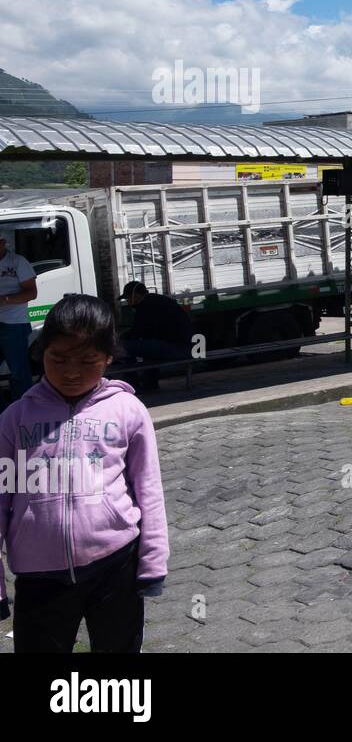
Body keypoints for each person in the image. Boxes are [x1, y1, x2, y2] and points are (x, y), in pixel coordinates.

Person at [0, 293, 169, 651]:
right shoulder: (15, 418)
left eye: (88, 360)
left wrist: (153, 561)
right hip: (38, 574)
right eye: (58, 358)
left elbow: (148, 489)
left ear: (108, 357)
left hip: (114, 565)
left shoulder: (128, 410)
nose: (72, 371)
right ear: (41, 352)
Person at [119, 281, 192, 392]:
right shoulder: (156, 300)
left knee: (123, 347)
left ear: (136, 296)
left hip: (176, 348)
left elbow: (139, 331)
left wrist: (122, 337)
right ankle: (149, 384)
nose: (128, 302)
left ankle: (132, 386)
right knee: (148, 347)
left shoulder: (145, 306)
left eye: (128, 298)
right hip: (183, 346)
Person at [0, 232, 38, 402]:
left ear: (2, 243)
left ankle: (23, 408)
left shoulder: (17, 262)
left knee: (18, 370)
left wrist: (5, 300)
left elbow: (31, 293)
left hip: (14, 324)